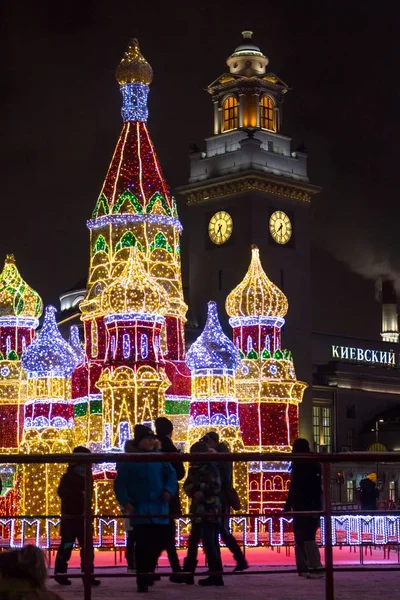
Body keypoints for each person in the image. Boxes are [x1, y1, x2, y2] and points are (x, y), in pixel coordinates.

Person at [114, 424, 177, 593]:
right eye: (147, 438)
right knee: (142, 544)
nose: (151, 440)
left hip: (159, 508)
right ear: (139, 441)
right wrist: (126, 501)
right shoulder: (130, 461)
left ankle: (147, 570)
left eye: (152, 438)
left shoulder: (160, 458)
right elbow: (120, 484)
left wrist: (169, 491)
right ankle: (143, 576)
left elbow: (172, 476)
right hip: (140, 509)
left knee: (160, 541)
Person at [54, 445, 100, 587]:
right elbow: (62, 493)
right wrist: (80, 495)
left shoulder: (85, 475)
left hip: (82, 518)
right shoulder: (71, 476)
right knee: (68, 545)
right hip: (72, 517)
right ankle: (62, 573)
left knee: (86, 547)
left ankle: (87, 574)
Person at [203, 431, 248, 571]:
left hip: (220, 499)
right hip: (221, 498)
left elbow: (220, 477)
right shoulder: (224, 453)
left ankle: (236, 561)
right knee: (220, 531)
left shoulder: (220, 456)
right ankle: (231, 561)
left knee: (221, 531)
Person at [183, 440, 224, 587]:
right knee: (193, 541)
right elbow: (187, 485)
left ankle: (216, 574)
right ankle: (188, 573)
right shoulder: (194, 468)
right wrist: (195, 490)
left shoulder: (211, 467)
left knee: (209, 542)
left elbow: (216, 486)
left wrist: (200, 490)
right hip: (198, 510)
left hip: (208, 509)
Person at [284, 438, 324, 579]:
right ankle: (310, 567)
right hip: (307, 505)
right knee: (306, 537)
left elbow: (295, 486)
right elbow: (314, 488)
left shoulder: (299, 464)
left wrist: (288, 504)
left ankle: (310, 567)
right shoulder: (312, 463)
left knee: (304, 537)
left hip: (302, 505)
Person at [155, 416, 185, 581]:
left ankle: (152, 568)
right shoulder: (168, 447)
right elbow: (180, 473)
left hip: (154, 496)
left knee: (161, 533)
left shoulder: (153, 447)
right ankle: (174, 569)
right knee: (167, 534)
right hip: (168, 496)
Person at [122, 439, 137, 573]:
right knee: (133, 537)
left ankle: (132, 563)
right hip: (132, 507)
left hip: (131, 507)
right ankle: (132, 563)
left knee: (132, 537)